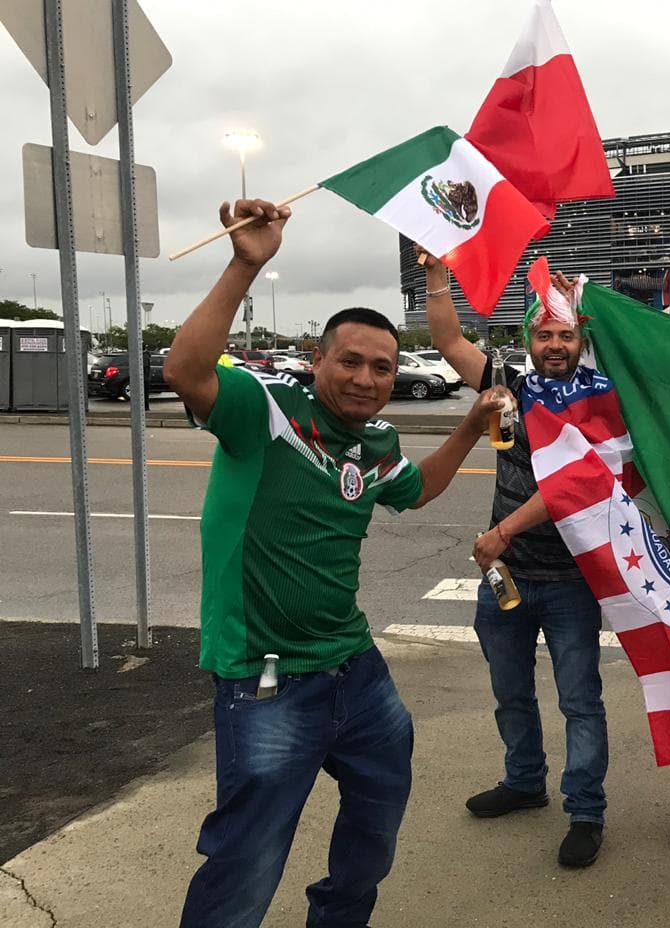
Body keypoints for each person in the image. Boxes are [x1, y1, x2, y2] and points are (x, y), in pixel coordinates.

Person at [166, 199, 507, 928]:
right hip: (266, 680)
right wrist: (244, 263)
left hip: (356, 669)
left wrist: (472, 424)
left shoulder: (376, 442)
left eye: (382, 367)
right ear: (316, 359)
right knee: (246, 859)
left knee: (376, 827)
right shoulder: (264, 409)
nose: (367, 378)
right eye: (349, 361)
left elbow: (415, 493)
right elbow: (185, 369)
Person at [419, 250, 609, 868]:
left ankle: (585, 810)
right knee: (510, 694)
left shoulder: (602, 401)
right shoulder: (510, 390)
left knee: (579, 701)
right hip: (505, 578)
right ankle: (525, 782)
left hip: (571, 580)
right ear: (528, 337)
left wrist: (502, 530)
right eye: (544, 333)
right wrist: (437, 275)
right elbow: (447, 338)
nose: (554, 344)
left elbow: (578, 485)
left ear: (582, 339)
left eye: (566, 334)